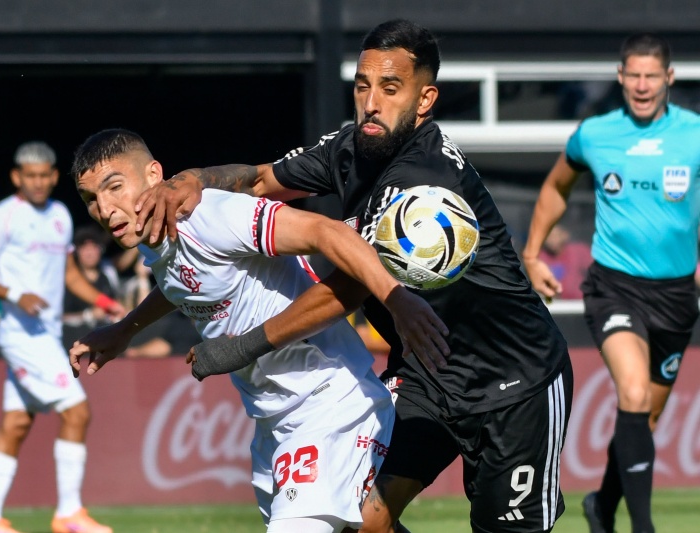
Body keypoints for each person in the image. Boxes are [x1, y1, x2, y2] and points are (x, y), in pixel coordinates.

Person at [135, 19, 573, 533]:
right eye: (363, 86)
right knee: (362, 520)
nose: (371, 102)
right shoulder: (349, 148)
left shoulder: (423, 178)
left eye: (390, 89)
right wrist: (191, 181)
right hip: (427, 379)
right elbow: (258, 178)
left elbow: (345, 289)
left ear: (425, 98)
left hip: (514, 383)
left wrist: (239, 347)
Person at [68, 128, 446, 533]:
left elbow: (327, 232)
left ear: (153, 174)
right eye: (92, 200)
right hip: (273, 424)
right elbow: (181, 284)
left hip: (329, 404)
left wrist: (397, 298)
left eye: (114, 187)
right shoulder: (154, 240)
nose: (105, 209)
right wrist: (124, 330)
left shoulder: (210, 215)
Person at [522, 33, 700, 533]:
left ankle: (601, 504)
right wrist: (532, 253)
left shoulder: (694, 134)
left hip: (677, 296)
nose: (642, 86)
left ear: (669, 78)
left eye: (651, 76)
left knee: (642, 419)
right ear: (620, 78)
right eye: (633, 76)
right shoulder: (595, 134)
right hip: (614, 287)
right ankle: (642, 526)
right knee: (634, 396)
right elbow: (557, 186)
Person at [0, 141, 124, 533]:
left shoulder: (59, 216)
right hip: (20, 334)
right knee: (77, 410)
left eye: (44, 176)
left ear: (54, 177)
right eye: (29, 176)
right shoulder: (1, 217)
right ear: (17, 177)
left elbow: (70, 275)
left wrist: (105, 301)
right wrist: (15, 295)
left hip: (47, 334)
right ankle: (69, 514)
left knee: (16, 424)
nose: (38, 182)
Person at [63, 225, 119, 327]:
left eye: (94, 247)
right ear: (76, 252)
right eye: (84, 248)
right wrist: (88, 315)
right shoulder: (66, 281)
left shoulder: (108, 276)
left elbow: (116, 305)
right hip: (73, 336)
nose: (89, 253)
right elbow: (58, 317)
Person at [534, 223, 592, 300]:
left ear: (565, 235)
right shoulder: (540, 257)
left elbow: (596, 273)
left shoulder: (579, 251)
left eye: (555, 235)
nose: (551, 240)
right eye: (548, 236)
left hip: (580, 302)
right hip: (556, 305)